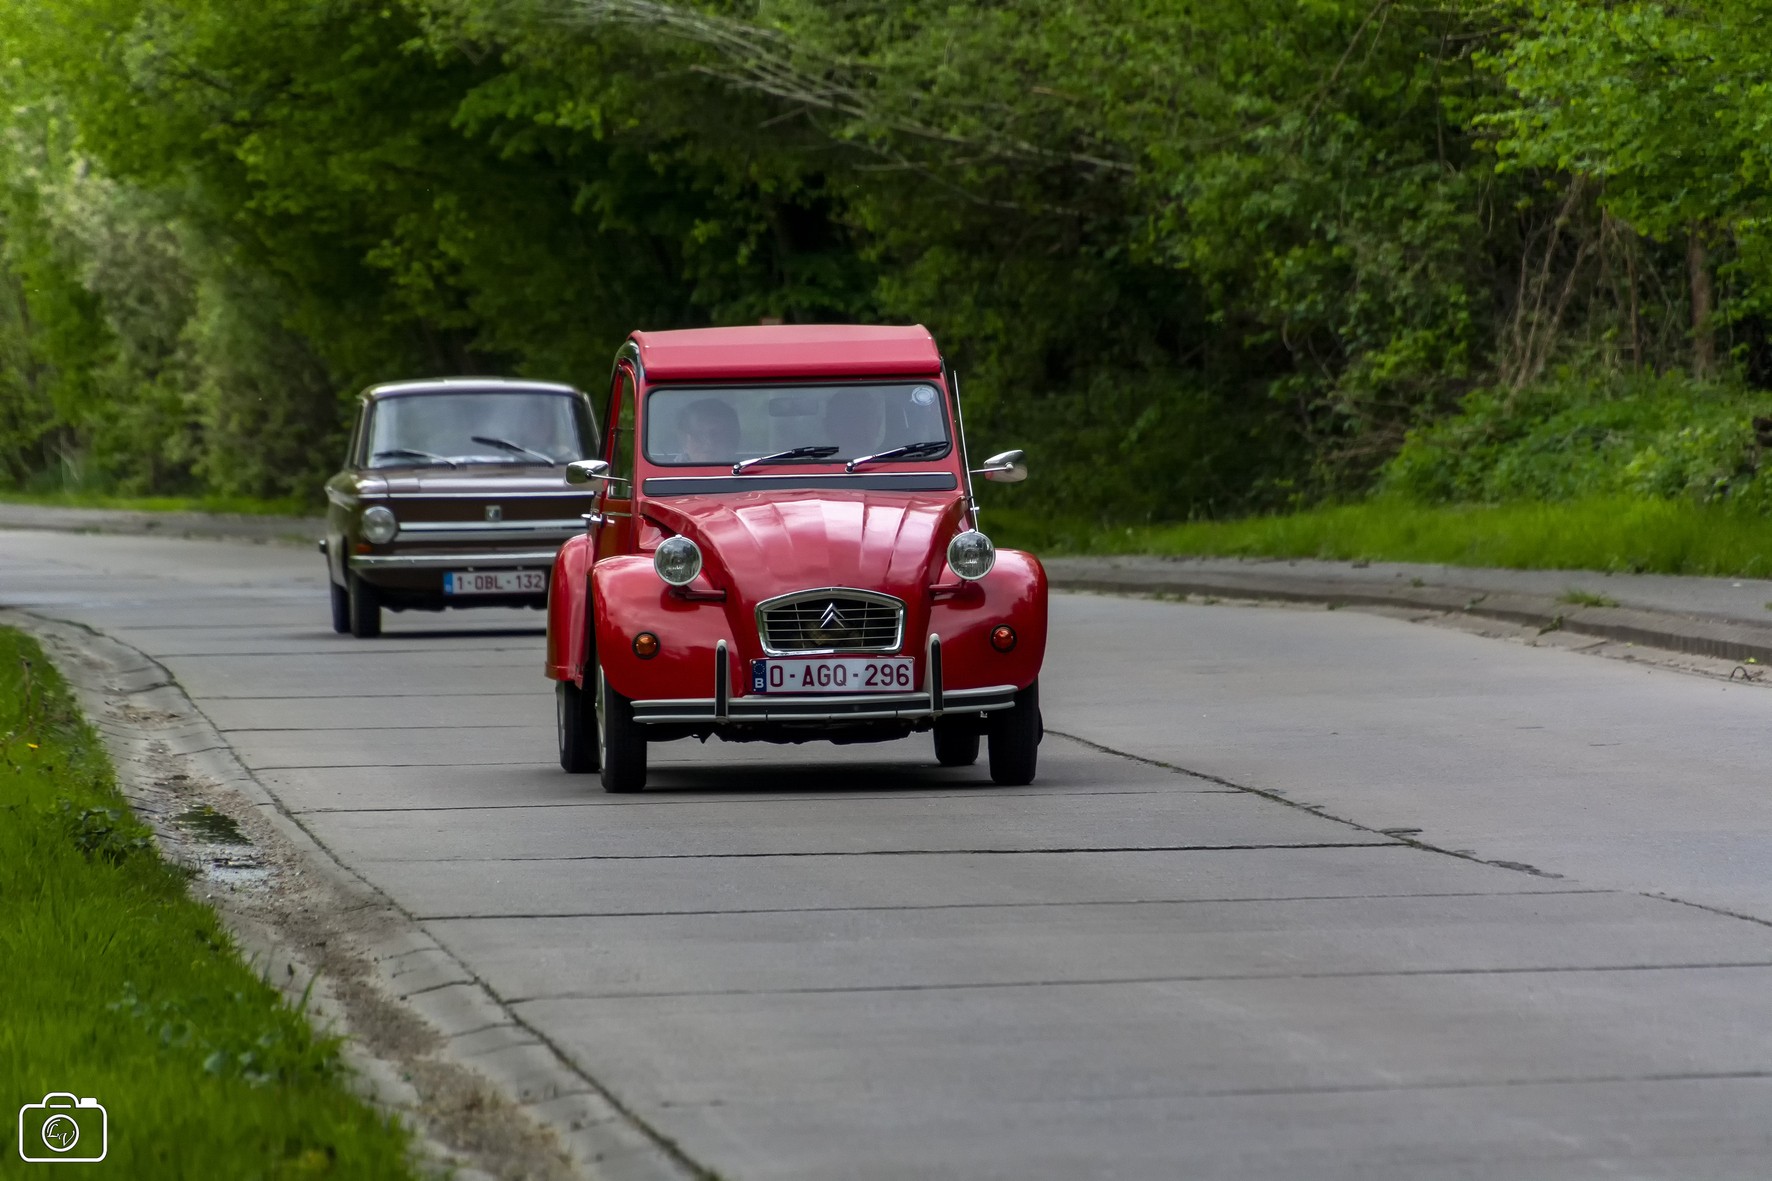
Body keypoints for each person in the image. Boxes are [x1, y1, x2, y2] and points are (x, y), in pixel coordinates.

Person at [675, 398, 741, 463]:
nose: (708, 442)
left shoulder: (748, 470)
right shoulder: (670, 472)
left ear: (732, 441)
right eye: (698, 435)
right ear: (684, 441)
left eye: (716, 434)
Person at [823, 392, 884, 457]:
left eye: (865, 419)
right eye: (847, 420)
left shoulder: (893, 461)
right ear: (828, 426)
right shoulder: (813, 465)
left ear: (878, 425)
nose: (857, 429)